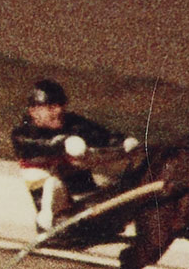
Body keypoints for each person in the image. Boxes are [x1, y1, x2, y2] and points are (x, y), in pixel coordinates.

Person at [10, 78, 139, 231]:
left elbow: (102, 135)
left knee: (115, 168)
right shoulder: (22, 135)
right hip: (51, 196)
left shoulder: (74, 123)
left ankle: (119, 211)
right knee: (53, 184)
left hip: (80, 188)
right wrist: (64, 142)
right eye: (51, 107)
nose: (58, 111)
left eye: (61, 105)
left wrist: (123, 142)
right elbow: (43, 145)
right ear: (34, 111)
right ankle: (48, 219)